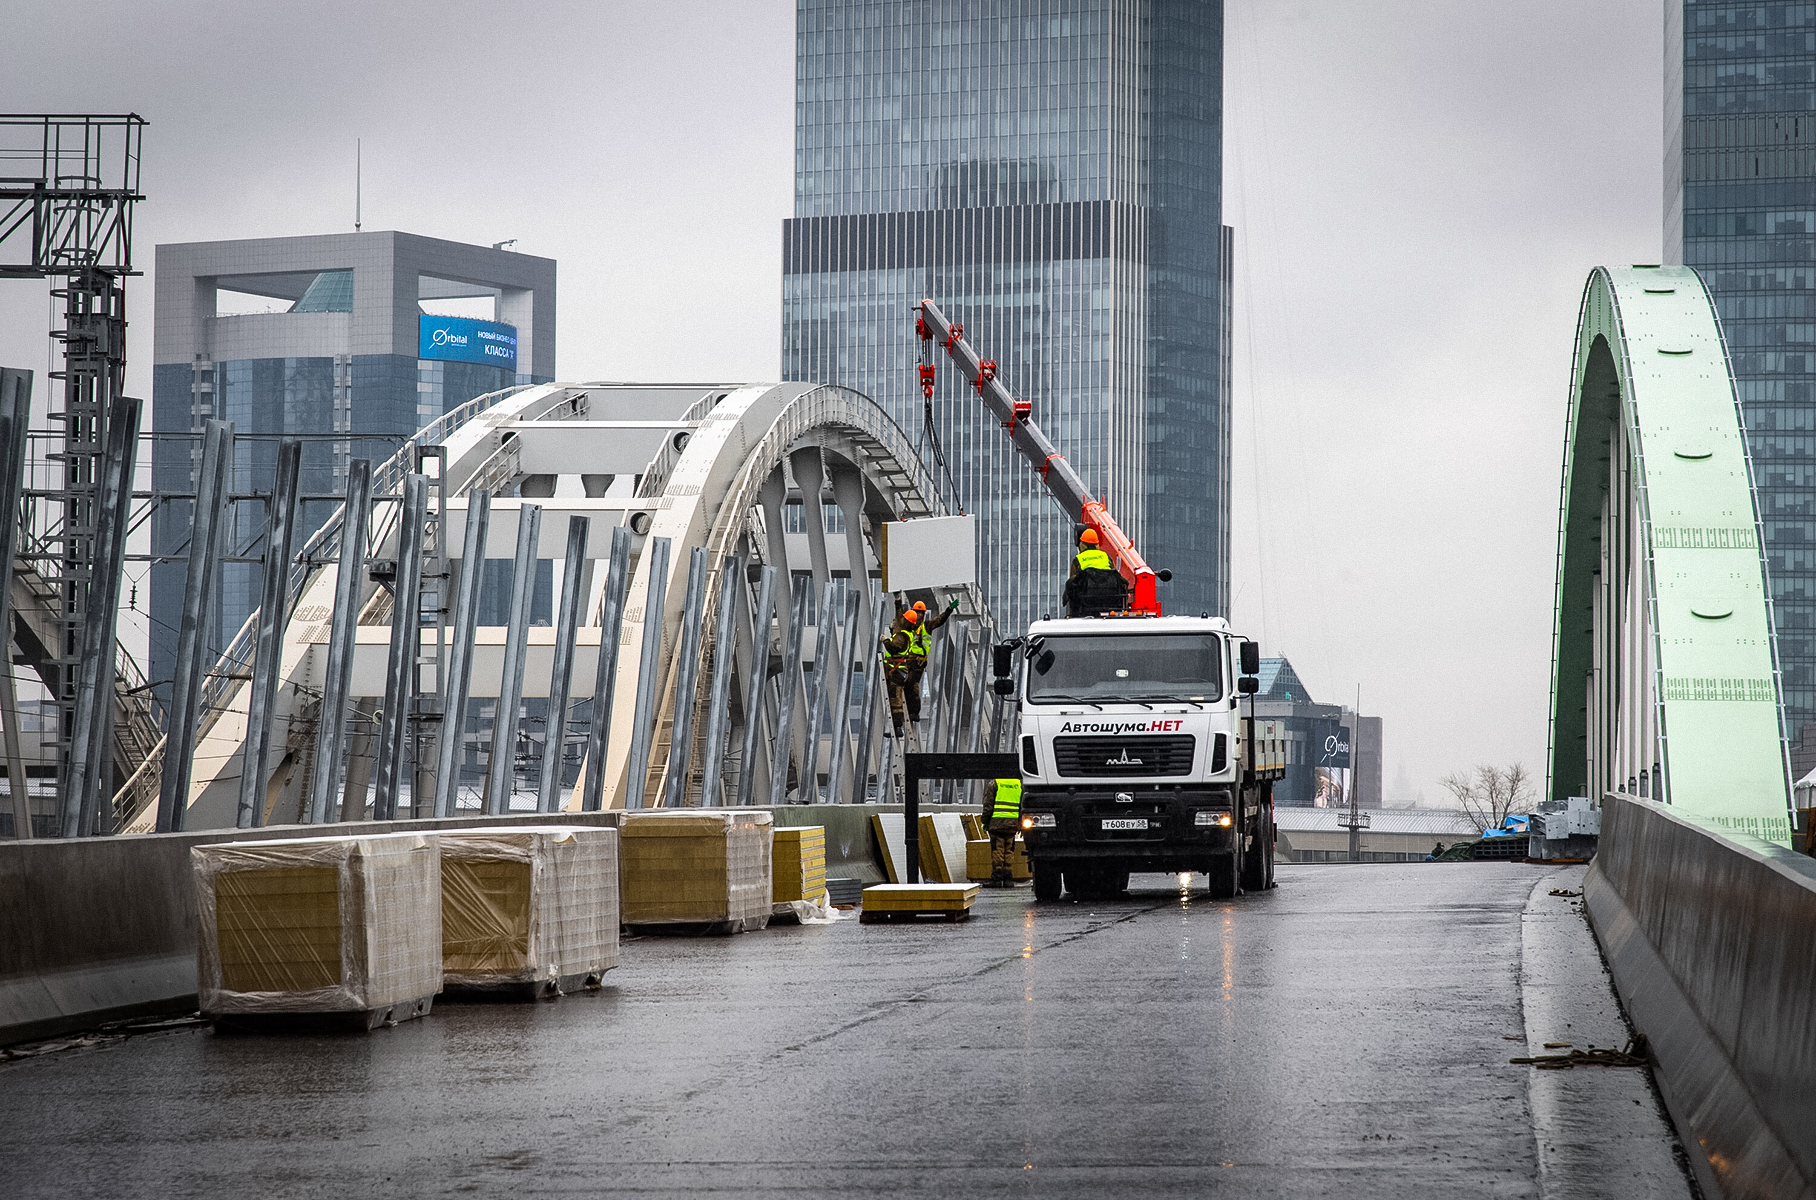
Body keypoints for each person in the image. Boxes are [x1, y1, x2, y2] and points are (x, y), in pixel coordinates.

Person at [879, 596, 960, 739]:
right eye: (917, 612)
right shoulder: (907, 628)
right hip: (905, 662)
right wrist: (897, 601)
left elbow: (939, 620)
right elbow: (899, 616)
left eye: (921, 613)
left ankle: (913, 713)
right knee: (903, 690)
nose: (919, 615)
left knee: (912, 686)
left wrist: (949, 610)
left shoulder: (924, 627)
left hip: (917, 662)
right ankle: (904, 717)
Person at [1063, 527, 1126, 617]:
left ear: (1082, 544)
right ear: (1097, 544)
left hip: (1086, 601)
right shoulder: (1106, 556)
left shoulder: (1078, 559)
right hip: (1110, 599)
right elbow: (1114, 574)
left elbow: (1073, 580)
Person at [981, 776, 1023, 886]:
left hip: (997, 823)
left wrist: (985, 821)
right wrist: (1020, 823)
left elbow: (988, 805)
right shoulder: (1018, 784)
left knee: (997, 850)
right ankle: (1008, 879)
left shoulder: (995, 783)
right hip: (1012, 824)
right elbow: (1022, 806)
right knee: (1009, 850)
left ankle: (997, 878)